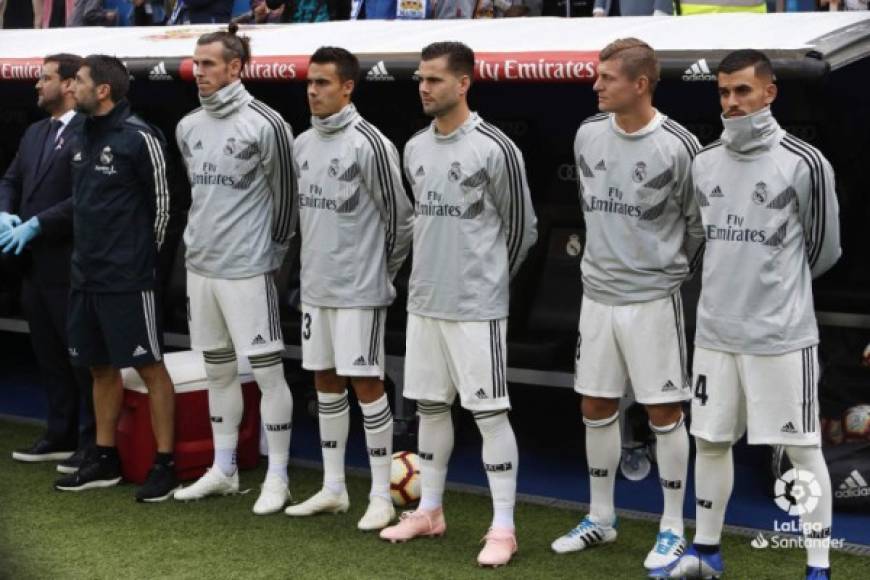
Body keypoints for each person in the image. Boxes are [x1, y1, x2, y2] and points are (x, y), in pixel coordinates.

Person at [664, 49, 841, 580]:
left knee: (802, 450)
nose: (732, 103)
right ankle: (708, 552)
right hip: (716, 333)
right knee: (710, 441)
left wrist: (775, 291)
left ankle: (818, 568)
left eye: (743, 91)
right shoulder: (705, 161)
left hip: (780, 337)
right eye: (723, 92)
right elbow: (702, 239)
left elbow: (823, 250)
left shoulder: (805, 162)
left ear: (769, 93)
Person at [379, 41, 538, 568]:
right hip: (425, 301)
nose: (424, 88)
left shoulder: (496, 148)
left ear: (464, 83)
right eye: (420, 79)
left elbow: (522, 231)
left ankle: (504, 527)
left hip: (475, 306)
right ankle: (429, 510)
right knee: (429, 407)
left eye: (435, 80)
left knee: (489, 414)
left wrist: (486, 280)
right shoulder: (415, 147)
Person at [550, 38, 703, 575]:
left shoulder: (678, 147)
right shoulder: (587, 134)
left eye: (608, 77)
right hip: (597, 297)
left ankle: (671, 527)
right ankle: (601, 517)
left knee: (663, 412)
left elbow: (697, 225)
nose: (596, 85)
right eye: (597, 76)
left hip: (653, 301)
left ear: (640, 84)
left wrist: (665, 271)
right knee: (595, 406)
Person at [285, 47, 414, 530]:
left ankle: (381, 494)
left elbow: (402, 220)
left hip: (361, 290)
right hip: (315, 289)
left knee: (366, 384)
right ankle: (334, 488)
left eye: (323, 83)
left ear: (347, 87)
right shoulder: (301, 144)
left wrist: (381, 274)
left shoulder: (371, 143)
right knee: (322, 380)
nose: (313, 91)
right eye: (309, 83)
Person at [173, 24, 298, 516]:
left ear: (235, 68)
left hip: (248, 269)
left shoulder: (266, 124)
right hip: (199, 268)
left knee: (268, 374)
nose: (198, 71)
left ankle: (279, 477)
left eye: (208, 64)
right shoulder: (187, 125)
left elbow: (287, 205)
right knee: (217, 370)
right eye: (195, 63)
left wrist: (267, 260)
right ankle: (224, 469)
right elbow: (200, 196)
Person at [55, 55, 178, 503]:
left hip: (129, 277)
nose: (72, 88)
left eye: (79, 82)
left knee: (149, 366)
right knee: (99, 366)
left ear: (103, 90)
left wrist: (146, 267)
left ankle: (165, 464)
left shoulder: (139, 137)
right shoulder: (80, 133)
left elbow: (164, 209)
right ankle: (104, 458)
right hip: (85, 275)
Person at [1, 54, 96, 475]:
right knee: (48, 355)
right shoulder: (36, 131)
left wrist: (40, 223)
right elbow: (11, 180)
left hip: (72, 262)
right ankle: (59, 434)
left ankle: (93, 442)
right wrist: (5, 211)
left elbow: (87, 197)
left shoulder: (91, 132)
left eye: (46, 78)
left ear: (71, 84)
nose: (37, 85)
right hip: (33, 265)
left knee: (82, 358)